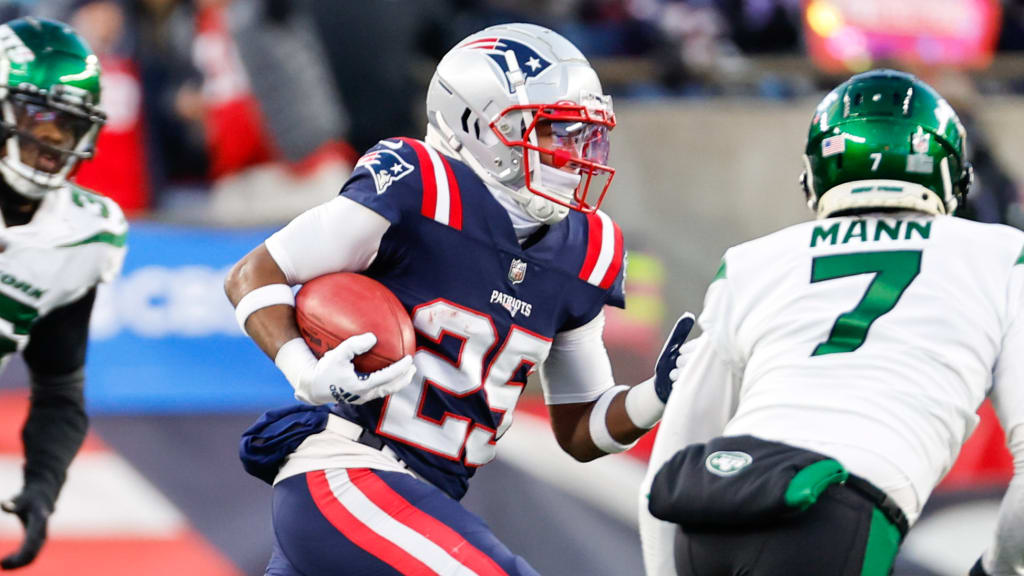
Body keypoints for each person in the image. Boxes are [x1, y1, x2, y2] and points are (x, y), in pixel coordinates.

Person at [224, 22, 691, 575]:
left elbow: (580, 428)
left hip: (423, 504)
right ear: (480, 127)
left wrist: (653, 398)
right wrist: (303, 368)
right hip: (351, 473)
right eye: (555, 133)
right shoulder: (421, 185)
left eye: (583, 136)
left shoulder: (588, 251)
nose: (575, 154)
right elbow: (254, 273)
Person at [638, 69, 1024, 576]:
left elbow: (675, 452)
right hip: (835, 512)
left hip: (710, 506)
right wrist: (998, 567)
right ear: (952, 172)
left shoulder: (753, 261)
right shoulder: (1001, 255)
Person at [0, 17, 127, 569]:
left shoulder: (80, 232)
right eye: (41, 116)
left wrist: (43, 485)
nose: (52, 140)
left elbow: (58, 389)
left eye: (68, 126)